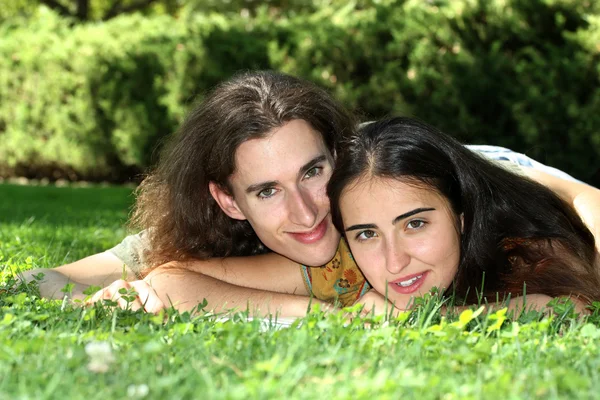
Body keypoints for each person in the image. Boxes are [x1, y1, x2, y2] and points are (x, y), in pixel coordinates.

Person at [19, 72, 600, 316]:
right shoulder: (227, 232)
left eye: (313, 170)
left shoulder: (383, 190)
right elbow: (68, 279)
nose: (305, 210)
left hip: (484, 168)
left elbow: (578, 200)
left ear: (339, 152)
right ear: (229, 201)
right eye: (267, 190)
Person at [327, 117, 600, 314]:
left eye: (415, 223)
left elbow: (566, 310)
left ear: (462, 217)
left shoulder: (527, 237)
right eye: (367, 233)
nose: (395, 263)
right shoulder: (332, 248)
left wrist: (408, 317)